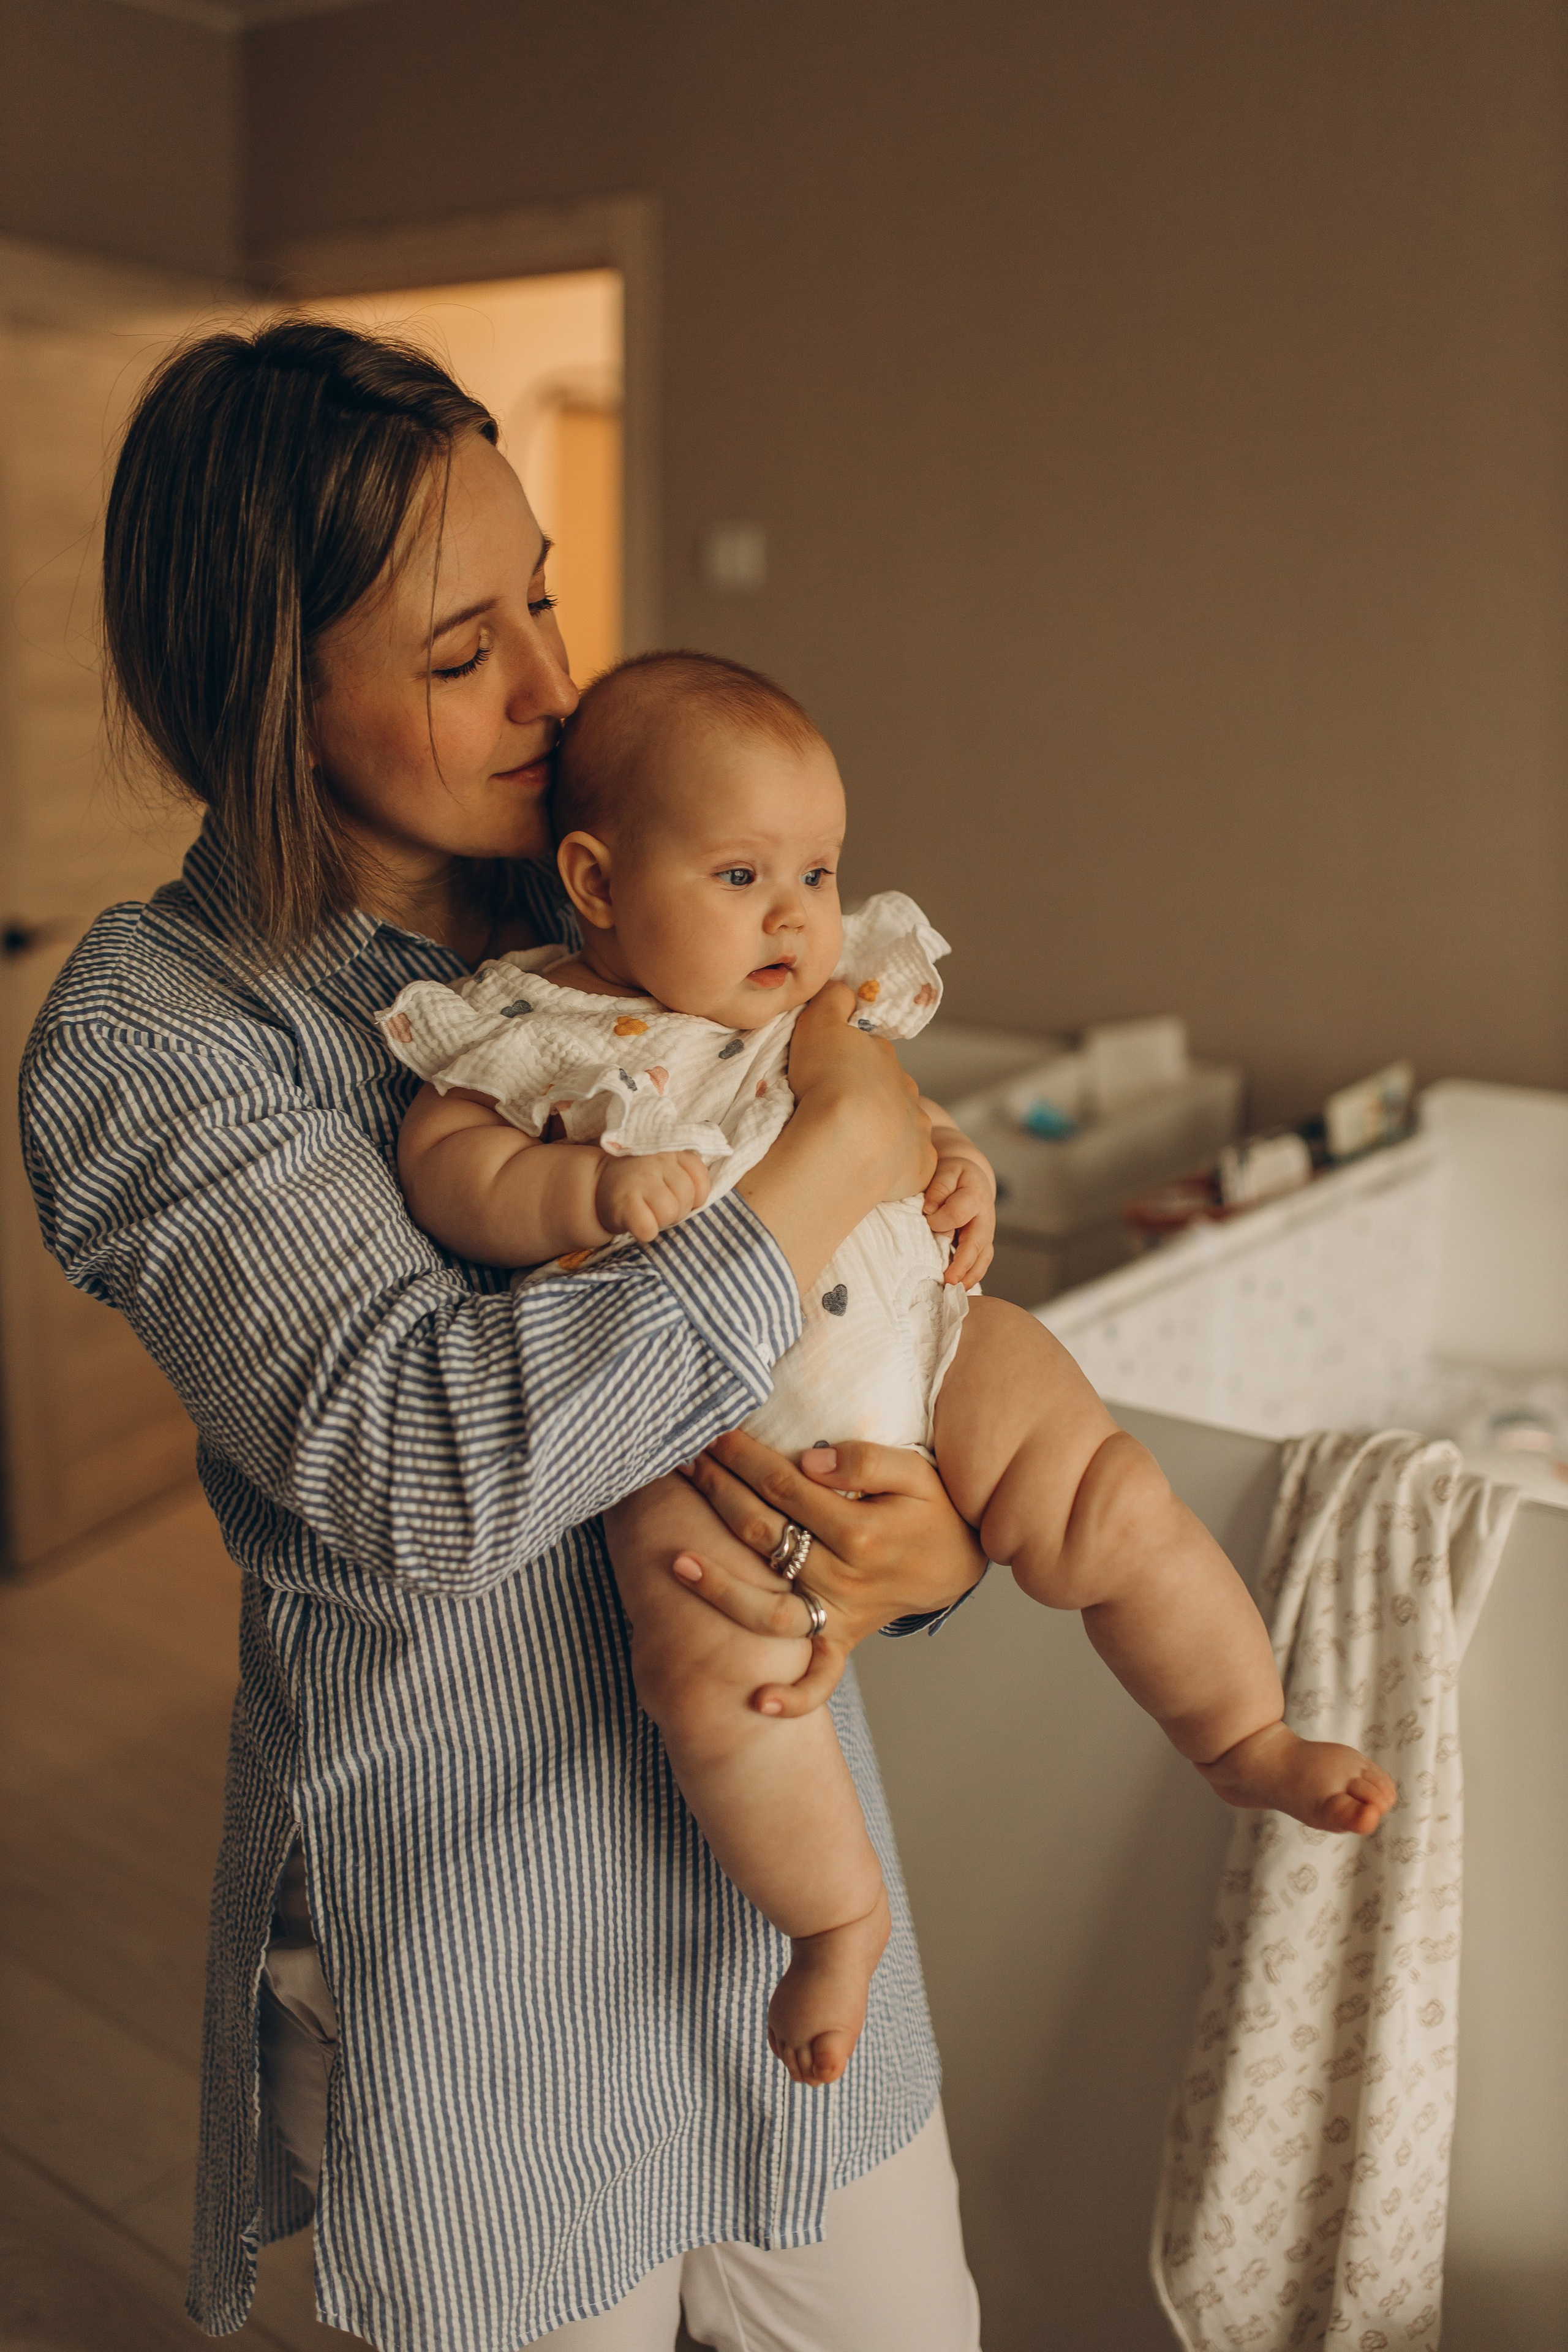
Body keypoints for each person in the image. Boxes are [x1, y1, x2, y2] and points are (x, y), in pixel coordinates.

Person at [18, 319, 990, 2352]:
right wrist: (836, 1149)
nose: (558, 687)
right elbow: (428, 1472)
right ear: (272, 690)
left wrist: (936, 1528)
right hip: (488, 1986)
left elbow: (854, 1339)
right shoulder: (168, 1032)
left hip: (786, 1912)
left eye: (541, 599)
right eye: (464, 654)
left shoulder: (628, 904)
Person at [379, 649, 1400, 2095]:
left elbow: (901, 1124)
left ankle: (1243, 1732)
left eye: (816, 869)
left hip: (924, 1346)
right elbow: (446, 1170)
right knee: (715, 1671)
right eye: (740, 875)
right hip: (699, 1429)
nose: (793, 911)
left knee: (1107, 1497)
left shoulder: (828, 1005)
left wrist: (958, 1168)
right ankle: (836, 1913)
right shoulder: (534, 1029)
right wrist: (579, 1204)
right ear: (598, 884)